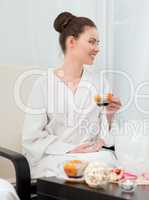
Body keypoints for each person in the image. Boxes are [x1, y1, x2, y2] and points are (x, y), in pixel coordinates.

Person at [22, 12, 121, 178]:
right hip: (55, 158)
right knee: (70, 172)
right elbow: (31, 138)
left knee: (107, 166)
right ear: (72, 42)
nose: (97, 48)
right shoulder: (44, 84)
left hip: (94, 157)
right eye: (91, 42)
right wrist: (69, 148)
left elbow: (105, 138)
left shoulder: (100, 82)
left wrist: (110, 115)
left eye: (98, 43)